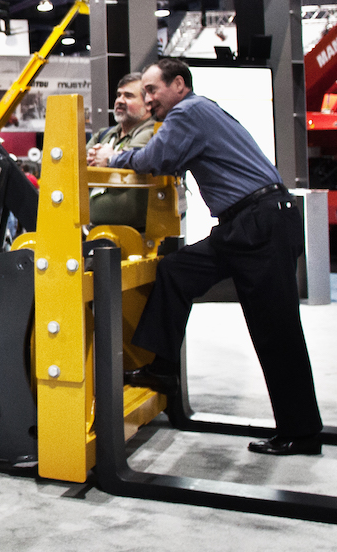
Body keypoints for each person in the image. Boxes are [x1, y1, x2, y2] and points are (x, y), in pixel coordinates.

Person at [107, 57, 323, 456]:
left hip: (260, 224)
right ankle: (162, 370)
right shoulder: (197, 111)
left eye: (152, 90)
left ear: (179, 85)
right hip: (244, 226)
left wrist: (111, 159)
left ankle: (303, 432)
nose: (149, 99)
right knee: (175, 271)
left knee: (276, 332)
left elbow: (155, 160)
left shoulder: (187, 112)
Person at [86, 73, 158, 228]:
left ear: (148, 104)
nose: (119, 101)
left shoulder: (153, 133)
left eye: (129, 96)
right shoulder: (104, 135)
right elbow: (77, 163)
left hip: (138, 235)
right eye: (118, 95)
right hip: (95, 231)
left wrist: (107, 160)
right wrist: (98, 159)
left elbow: (130, 161)